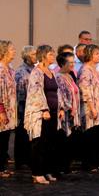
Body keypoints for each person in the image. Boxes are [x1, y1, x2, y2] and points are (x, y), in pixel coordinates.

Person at [25, 45, 62, 184]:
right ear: (43, 56)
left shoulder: (51, 71)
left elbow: (57, 91)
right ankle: (37, 172)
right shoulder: (37, 72)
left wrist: (61, 108)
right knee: (39, 143)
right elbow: (36, 92)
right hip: (40, 114)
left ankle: (46, 170)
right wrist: (44, 110)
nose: (53, 56)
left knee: (49, 143)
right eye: (51, 54)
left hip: (53, 112)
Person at [78, 44, 99, 172]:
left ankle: (95, 161)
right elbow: (85, 90)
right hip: (90, 108)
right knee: (90, 136)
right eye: (96, 53)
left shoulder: (94, 69)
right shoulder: (85, 70)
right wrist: (92, 107)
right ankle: (88, 163)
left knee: (97, 136)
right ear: (89, 55)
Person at [55, 52, 81, 173]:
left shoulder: (69, 75)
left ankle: (66, 166)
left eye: (73, 62)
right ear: (62, 63)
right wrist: (69, 108)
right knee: (63, 140)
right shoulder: (59, 77)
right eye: (69, 62)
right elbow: (61, 96)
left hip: (73, 113)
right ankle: (61, 166)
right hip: (65, 113)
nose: (72, 65)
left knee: (70, 140)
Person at [14, 46, 36, 169]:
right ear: (27, 56)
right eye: (33, 54)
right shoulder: (21, 71)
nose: (35, 57)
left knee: (29, 134)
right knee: (22, 133)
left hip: (32, 107)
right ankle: (20, 160)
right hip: (23, 106)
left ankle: (27, 158)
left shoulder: (34, 69)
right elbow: (19, 91)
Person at [0, 40, 17, 178]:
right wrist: (1, 111)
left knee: (5, 139)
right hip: (2, 110)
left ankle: (2, 167)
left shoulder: (10, 68)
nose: (14, 51)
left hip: (10, 110)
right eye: (12, 49)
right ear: (4, 52)